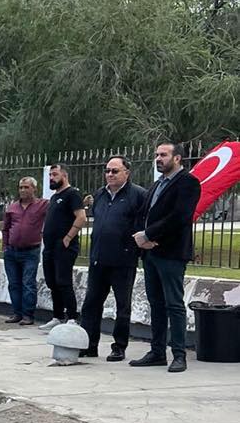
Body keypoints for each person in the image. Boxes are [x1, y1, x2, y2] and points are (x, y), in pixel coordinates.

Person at [132, 140, 202, 373]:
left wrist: (149, 234)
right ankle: (157, 352)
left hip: (171, 253)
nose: (158, 159)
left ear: (177, 158)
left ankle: (179, 354)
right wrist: (142, 237)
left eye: (163, 155)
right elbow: (145, 214)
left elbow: (180, 216)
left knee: (174, 304)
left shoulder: (188, 183)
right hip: (150, 252)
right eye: (156, 155)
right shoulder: (157, 184)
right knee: (156, 303)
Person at [80, 157, 146, 361]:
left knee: (122, 306)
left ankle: (119, 346)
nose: (110, 174)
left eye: (115, 171)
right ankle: (89, 344)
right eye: (107, 171)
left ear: (127, 172)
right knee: (91, 303)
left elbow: (142, 225)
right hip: (99, 258)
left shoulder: (138, 195)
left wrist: (132, 250)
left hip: (123, 260)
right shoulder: (100, 194)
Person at [40, 163, 86, 327]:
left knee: (63, 281)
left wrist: (68, 237)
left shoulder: (72, 194)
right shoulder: (54, 197)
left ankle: (72, 317)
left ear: (64, 176)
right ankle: (57, 316)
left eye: (55, 175)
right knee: (52, 282)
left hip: (64, 246)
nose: (51, 178)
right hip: (49, 246)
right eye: (50, 175)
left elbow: (81, 217)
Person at [1, 178, 47, 326]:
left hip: (30, 251)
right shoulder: (12, 207)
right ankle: (17, 313)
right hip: (11, 251)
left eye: (26, 187)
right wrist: (5, 246)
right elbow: (6, 228)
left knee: (28, 283)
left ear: (34, 189)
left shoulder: (42, 205)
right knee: (14, 283)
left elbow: (60, 208)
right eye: (21, 187)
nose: (22, 190)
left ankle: (28, 315)